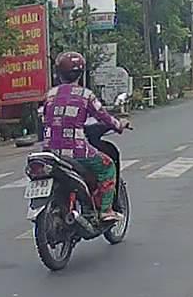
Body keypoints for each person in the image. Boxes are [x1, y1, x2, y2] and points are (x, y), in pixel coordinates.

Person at [40, 51, 128, 224]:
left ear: (58, 73)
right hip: (77, 151)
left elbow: (45, 118)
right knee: (108, 167)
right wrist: (119, 125)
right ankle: (106, 211)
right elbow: (104, 116)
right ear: (81, 73)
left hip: (50, 151)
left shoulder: (50, 95)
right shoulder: (86, 95)